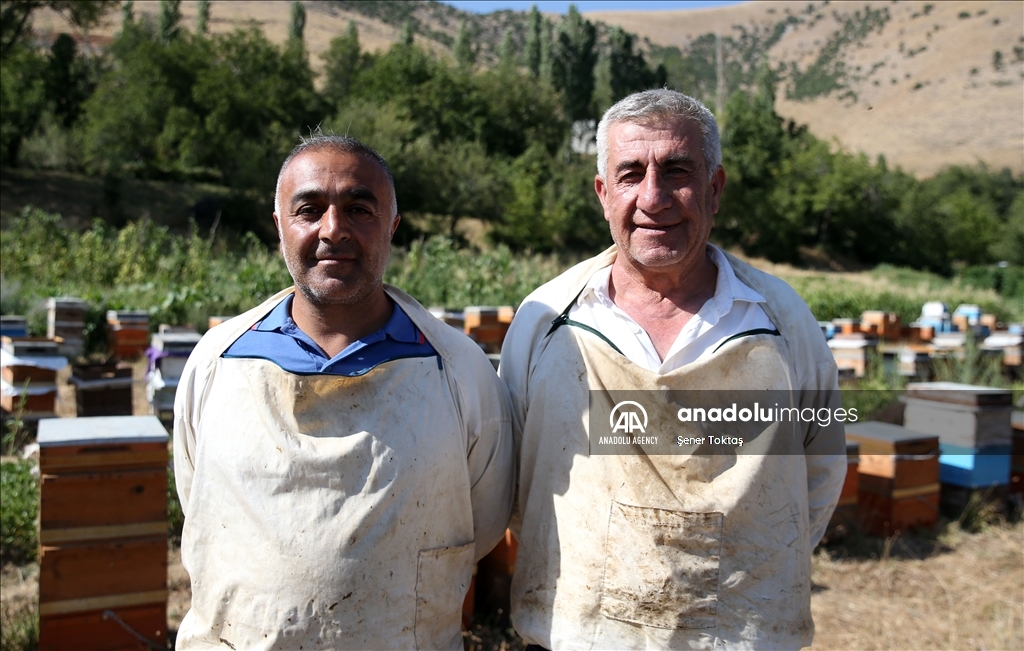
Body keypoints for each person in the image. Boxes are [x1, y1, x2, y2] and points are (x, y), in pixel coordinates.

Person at [500, 89, 846, 650]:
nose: (653, 197)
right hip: (575, 633)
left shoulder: (779, 319)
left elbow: (820, 468)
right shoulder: (549, 319)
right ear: (603, 193)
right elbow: (511, 473)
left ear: (714, 189)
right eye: (631, 173)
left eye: (677, 171)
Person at [173, 134, 513, 650]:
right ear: (279, 227)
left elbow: (481, 521)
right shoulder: (218, 361)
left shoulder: (457, 369)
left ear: (392, 227)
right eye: (309, 210)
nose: (334, 230)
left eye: (359, 209)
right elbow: (198, 493)